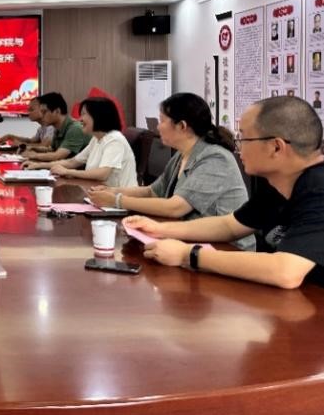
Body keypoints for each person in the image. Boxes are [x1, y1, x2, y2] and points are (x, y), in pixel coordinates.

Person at [124, 96, 324, 289]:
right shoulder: (279, 183)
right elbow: (230, 225)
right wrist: (159, 229)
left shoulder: (317, 187)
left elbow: (286, 272)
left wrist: (187, 254)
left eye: (243, 138)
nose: (238, 146)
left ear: (276, 147)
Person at [87, 93, 250, 242]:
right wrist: (112, 191)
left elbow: (176, 207)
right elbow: (152, 191)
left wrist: (117, 200)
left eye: (162, 121)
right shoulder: (181, 155)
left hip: (226, 247)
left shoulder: (215, 158)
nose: (158, 127)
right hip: (190, 238)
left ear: (182, 126)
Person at [30, 97, 138, 187]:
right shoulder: (96, 139)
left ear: (98, 116)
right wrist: (38, 165)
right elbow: (72, 162)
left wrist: (68, 172)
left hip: (118, 200)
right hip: (99, 194)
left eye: (83, 114)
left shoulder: (115, 140)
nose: (80, 119)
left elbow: (102, 174)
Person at [21, 92, 91, 167]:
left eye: (44, 112)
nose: (41, 115)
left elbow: (58, 156)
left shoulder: (75, 129)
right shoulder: (58, 128)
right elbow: (53, 149)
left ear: (57, 111)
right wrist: (34, 148)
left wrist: (34, 156)